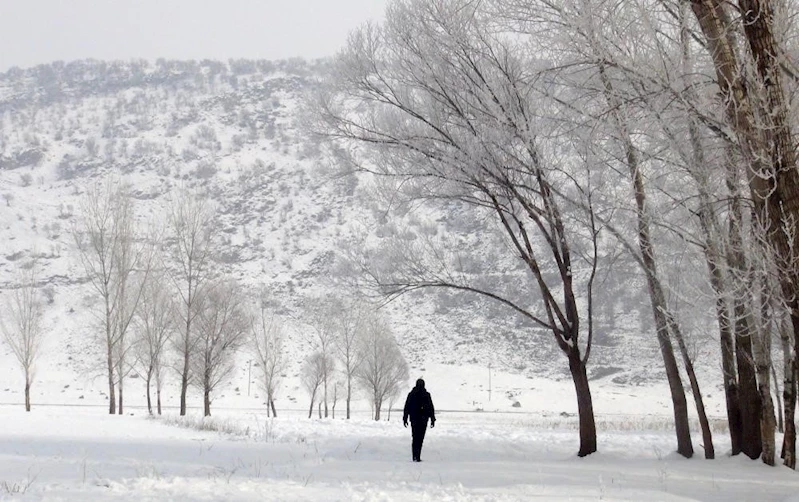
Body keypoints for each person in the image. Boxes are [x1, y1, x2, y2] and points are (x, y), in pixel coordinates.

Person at [403, 378, 436, 462]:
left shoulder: (411, 394)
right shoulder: (426, 395)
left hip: (414, 419)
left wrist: (405, 418)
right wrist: (432, 419)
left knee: (415, 437)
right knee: (420, 438)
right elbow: (431, 408)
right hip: (423, 420)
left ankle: (415, 455)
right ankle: (417, 456)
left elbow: (407, 407)